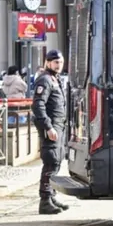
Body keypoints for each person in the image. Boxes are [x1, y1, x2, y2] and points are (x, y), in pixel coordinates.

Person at [32, 50, 69, 215]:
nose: (58, 65)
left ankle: (51, 196)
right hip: (51, 126)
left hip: (58, 125)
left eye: (60, 62)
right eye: (55, 62)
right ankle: (45, 200)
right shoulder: (45, 79)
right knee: (51, 161)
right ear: (48, 63)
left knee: (57, 160)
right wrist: (48, 127)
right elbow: (38, 105)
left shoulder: (55, 79)